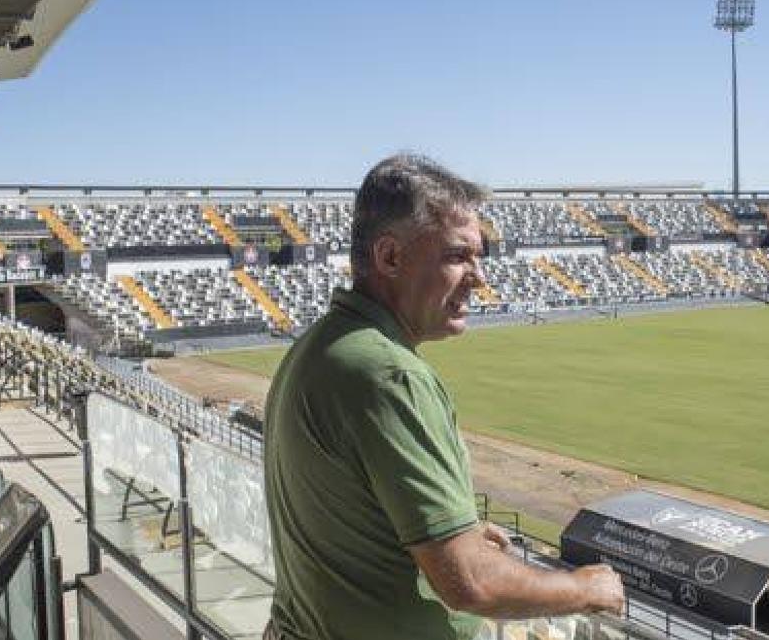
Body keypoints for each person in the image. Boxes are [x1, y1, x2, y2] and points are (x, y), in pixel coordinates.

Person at [263, 154, 625, 640]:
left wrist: (462, 537)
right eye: (457, 256)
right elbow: (470, 583)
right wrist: (584, 586)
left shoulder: (320, 345)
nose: (479, 277)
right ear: (390, 257)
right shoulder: (390, 376)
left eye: (478, 257)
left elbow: (358, 518)